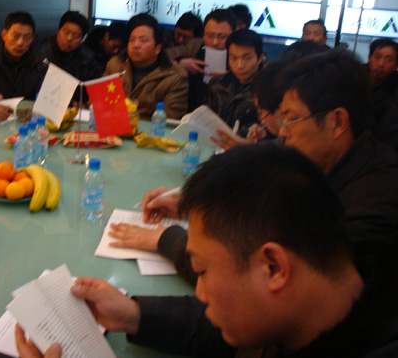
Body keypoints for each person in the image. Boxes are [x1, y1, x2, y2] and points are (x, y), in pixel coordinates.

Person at [16, 144, 398, 357]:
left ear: (274, 267)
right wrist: (133, 314)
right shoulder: (329, 298)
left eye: (201, 271)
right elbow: (237, 328)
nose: (199, 293)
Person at [112, 49, 398, 285]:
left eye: (290, 120)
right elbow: (253, 173)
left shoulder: (374, 205)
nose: (282, 132)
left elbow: (257, 284)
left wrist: (167, 240)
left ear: (337, 122)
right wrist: (193, 201)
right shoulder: (324, 161)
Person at [103, 13, 188, 120]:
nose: (136, 45)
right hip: (113, 126)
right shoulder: (115, 65)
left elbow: (169, 121)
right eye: (132, 40)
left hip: (150, 129)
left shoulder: (175, 77)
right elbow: (101, 104)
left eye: (143, 40)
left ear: (157, 49)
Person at [167, 8, 237, 110]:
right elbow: (164, 55)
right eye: (210, 36)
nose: (215, 42)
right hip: (193, 107)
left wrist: (234, 76)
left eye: (222, 37)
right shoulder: (194, 46)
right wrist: (181, 63)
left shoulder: (240, 53)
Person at [0, 12, 47, 100]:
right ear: (4, 35)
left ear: (32, 38)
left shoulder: (39, 63)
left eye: (26, 37)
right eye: (15, 36)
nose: (20, 43)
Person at [206, 29, 263, 138]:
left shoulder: (268, 88)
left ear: (260, 58)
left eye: (247, 58)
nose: (240, 65)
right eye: (233, 58)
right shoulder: (217, 84)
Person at [366, 38, 398, 150]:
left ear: (396, 66)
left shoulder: (394, 89)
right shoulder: (354, 77)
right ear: (369, 57)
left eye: (389, 60)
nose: (381, 64)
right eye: (377, 57)